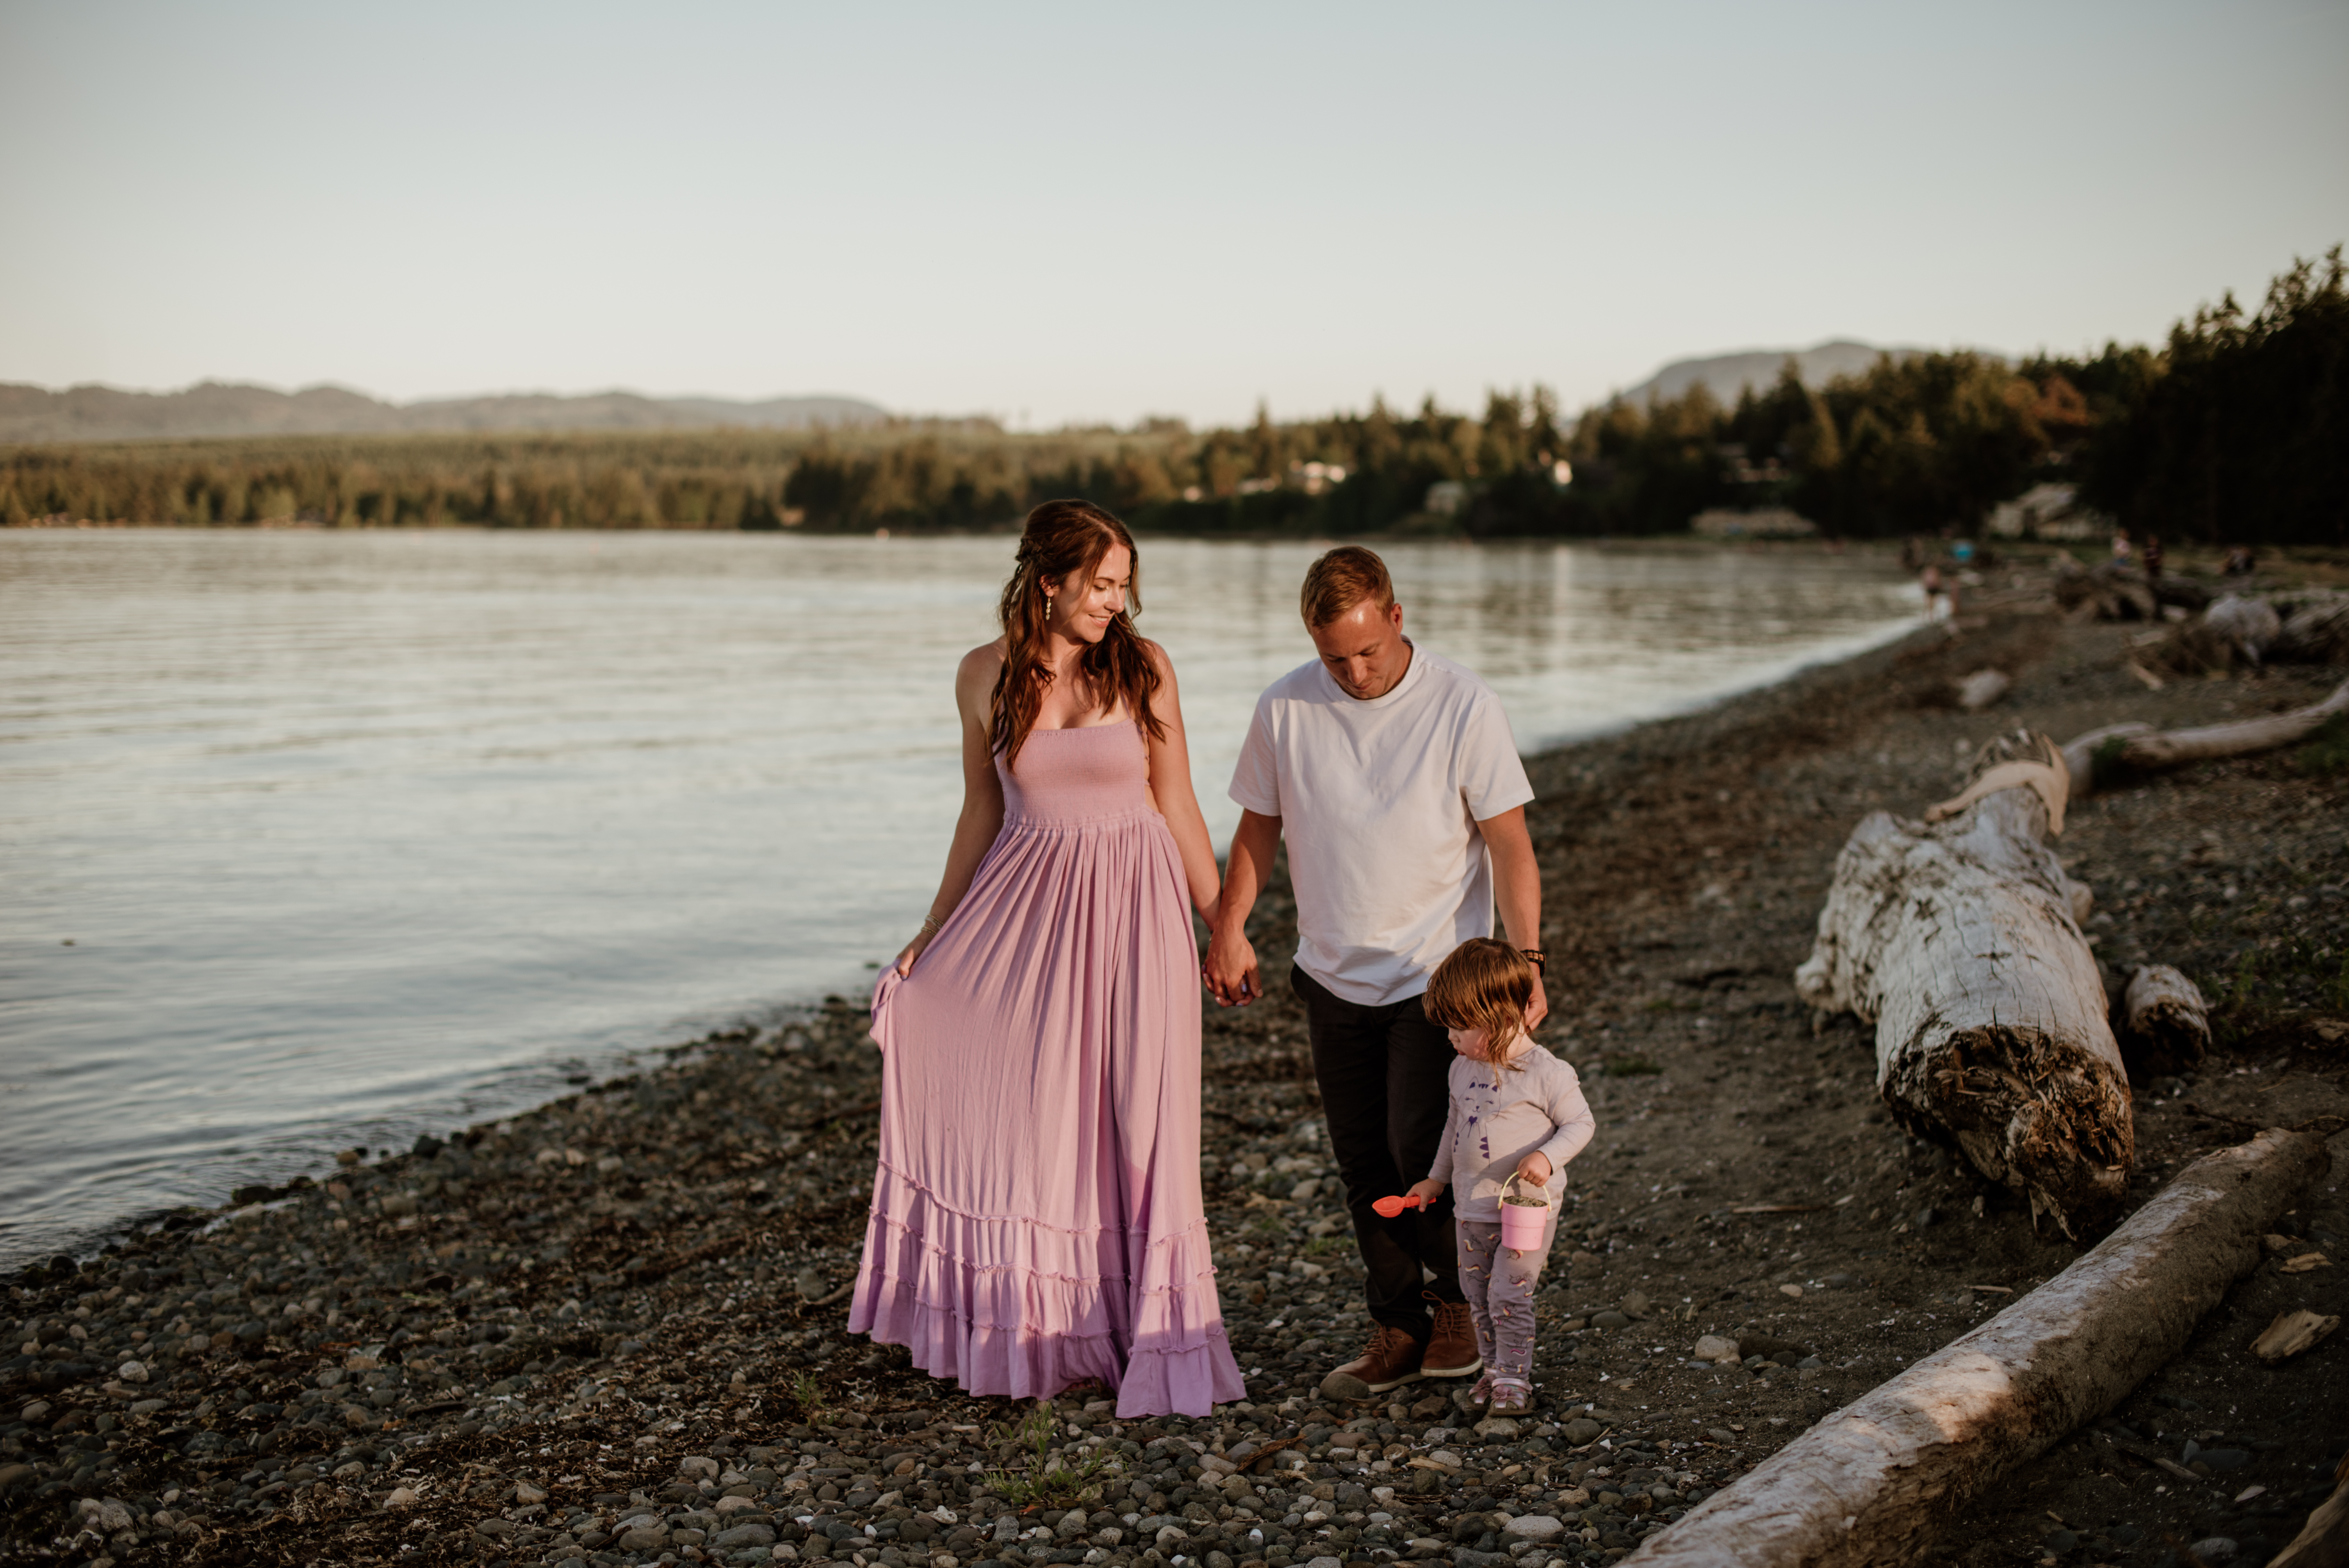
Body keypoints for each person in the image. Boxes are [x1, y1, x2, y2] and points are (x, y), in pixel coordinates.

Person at [850, 500, 1246, 1418]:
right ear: (1048, 580)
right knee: (1038, 1122)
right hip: (1027, 913)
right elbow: (981, 812)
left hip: (1138, 913)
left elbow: (1178, 800)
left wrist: (1223, 922)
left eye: (1122, 586)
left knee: (1142, 1120)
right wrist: (932, 931)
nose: (1114, 601)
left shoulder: (1144, 667)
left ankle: (1155, 1331)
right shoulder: (980, 674)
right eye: (1100, 584)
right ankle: (1041, 1325)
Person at [1206, 545, 1544, 1402]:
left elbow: (1509, 844)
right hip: (1328, 974)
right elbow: (1256, 829)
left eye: (1367, 651)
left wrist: (1527, 961)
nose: (1354, 673)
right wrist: (1230, 927)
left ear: (1396, 617)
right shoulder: (1285, 707)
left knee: (1420, 1150)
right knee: (1362, 1163)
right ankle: (1398, 1326)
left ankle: (1458, 1304)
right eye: (1334, 659)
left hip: (1435, 980)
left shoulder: (1462, 702)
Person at [1403, 939, 1594, 1416]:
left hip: (1525, 1209)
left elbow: (1581, 1123)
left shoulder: (1547, 1072)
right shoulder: (1461, 1067)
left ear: (1499, 1016)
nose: (1451, 1036)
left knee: (1509, 1293)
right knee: (1477, 1294)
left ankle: (1514, 1376)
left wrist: (1547, 1157)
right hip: (1471, 1207)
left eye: (1460, 1025)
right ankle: (1492, 1369)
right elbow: (1454, 1127)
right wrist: (1435, 1179)